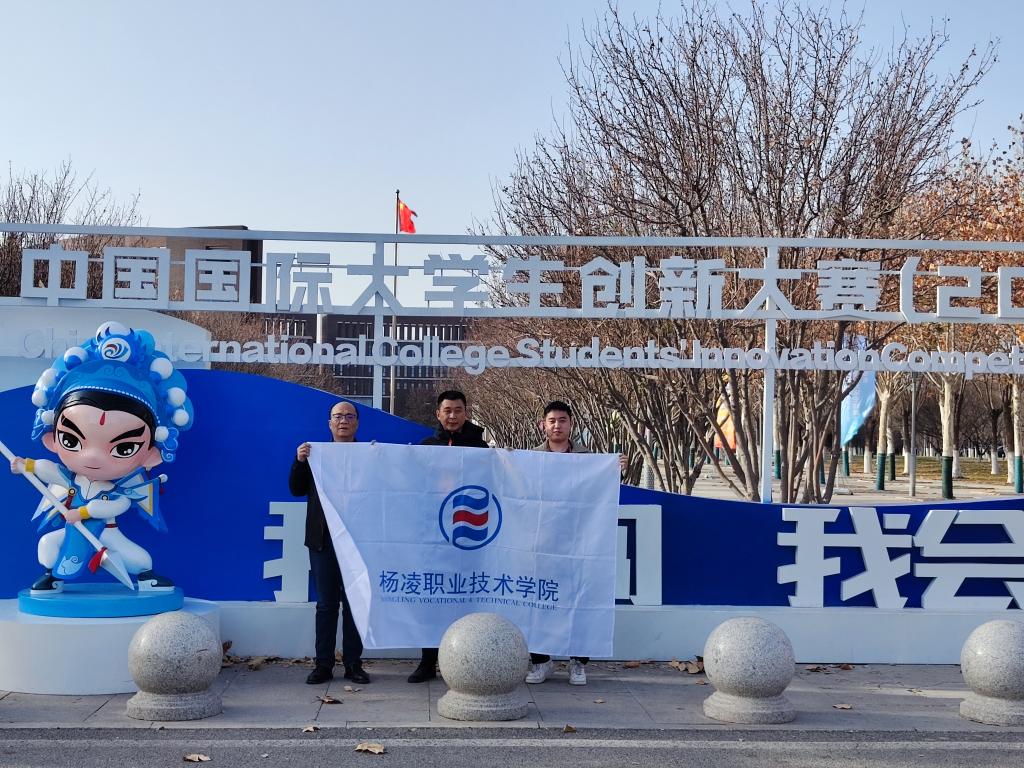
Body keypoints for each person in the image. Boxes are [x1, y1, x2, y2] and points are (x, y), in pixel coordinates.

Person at [9, 321, 192, 593]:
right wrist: (27, 465)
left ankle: (146, 576)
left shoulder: (119, 488)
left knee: (137, 557)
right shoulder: (72, 479)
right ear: (52, 440)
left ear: (151, 455)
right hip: (73, 529)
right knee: (47, 544)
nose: (93, 457)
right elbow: (51, 471)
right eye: (72, 440)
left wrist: (84, 511)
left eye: (123, 448)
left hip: (107, 532)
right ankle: (51, 576)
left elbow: (116, 506)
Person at [525, 400, 627, 687]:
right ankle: (541, 661)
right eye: (552, 421)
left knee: (580, 600)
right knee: (539, 601)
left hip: (580, 542)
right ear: (543, 425)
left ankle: (578, 662)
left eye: (562, 420)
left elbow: (603, 493)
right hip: (544, 542)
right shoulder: (531, 459)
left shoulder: (588, 459)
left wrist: (614, 469)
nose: (557, 426)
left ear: (571, 424)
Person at [407, 389, 489, 684]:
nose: (452, 416)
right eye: (447, 411)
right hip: (434, 535)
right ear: (438, 414)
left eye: (458, 410)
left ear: (466, 413)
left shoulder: (482, 449)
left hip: (470, 537)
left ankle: (467, 661)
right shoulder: (426, 448)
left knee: (467, 598)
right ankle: (428, 661)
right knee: (432, 598)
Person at [290, 400, 370, 686]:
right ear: (329, 423)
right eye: (338, 416)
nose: (343, 421)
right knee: (326, 605)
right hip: (323, 540)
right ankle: (323, 665)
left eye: (349, 416)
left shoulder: (368, 455)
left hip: (358, 542)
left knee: (354, 605)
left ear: (357, 423)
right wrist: (299, 462)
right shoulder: (314, 454)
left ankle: (353, 664)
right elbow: (296, 489)